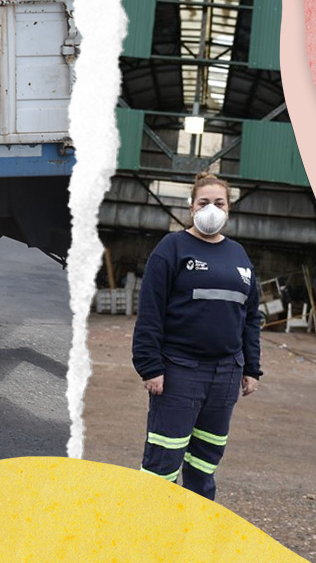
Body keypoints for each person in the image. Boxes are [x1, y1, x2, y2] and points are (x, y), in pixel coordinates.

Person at [132, 173, 262, 499]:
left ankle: (195, 532)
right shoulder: (171, 249)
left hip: (226, 374)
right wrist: (150, 367)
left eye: (219, 203)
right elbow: (150, 312)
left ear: (228, 210)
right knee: (163, 461)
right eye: (204, 203)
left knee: (205, 462)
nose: (211, 209)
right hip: (179, 370)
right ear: (192, 207)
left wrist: (251, 368)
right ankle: (148, 534)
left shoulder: (239, 257)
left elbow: (250, 318)